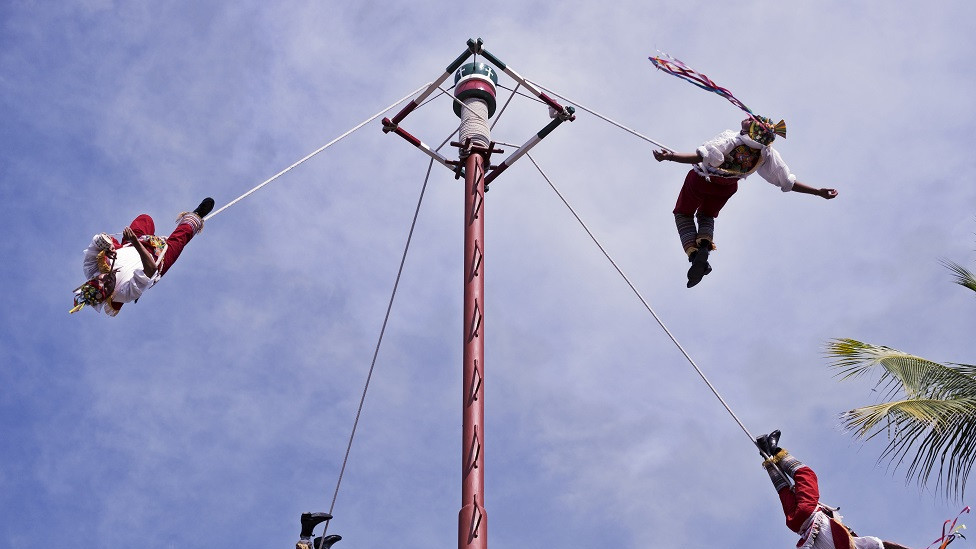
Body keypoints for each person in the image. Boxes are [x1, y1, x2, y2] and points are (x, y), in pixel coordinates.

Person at [653, 117, 838, 287]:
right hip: (726, 187)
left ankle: (694, 254)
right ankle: (703, 248)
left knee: (683, 213)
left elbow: (703, 157)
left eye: (753, 120)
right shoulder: (765, 154)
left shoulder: (731, 139)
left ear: (753, 130)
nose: (749, 117)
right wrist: (817, 192)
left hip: (701, 180)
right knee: (707, 215)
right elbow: (786, 181)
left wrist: (670, 157)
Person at [755, 430, 912, 549]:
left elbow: (883, 544)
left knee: (806, 475)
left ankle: (776, 450)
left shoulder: (859, 545)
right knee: (784, 490)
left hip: (808, 513)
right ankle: (766, 451)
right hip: (795, 525)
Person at [70, 198, 215, 316]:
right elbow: (150, 268)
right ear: (108, 295)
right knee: (181, 237)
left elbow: (98, 239)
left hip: (134, 244)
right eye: (108, 287)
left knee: (145, 220)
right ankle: (197, 214)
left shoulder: (91, 268)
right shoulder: (122, 294)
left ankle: (138, 239)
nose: (108, 280)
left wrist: (108, 246)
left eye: (102, 280)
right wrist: (134, 241)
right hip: (157, 261)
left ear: (93, 278)